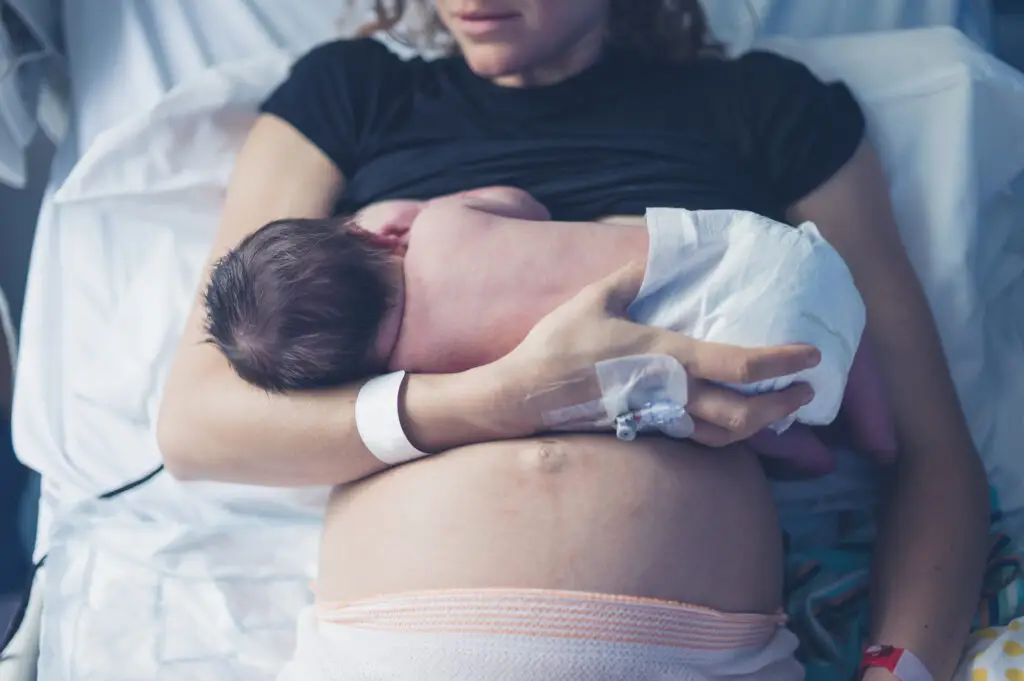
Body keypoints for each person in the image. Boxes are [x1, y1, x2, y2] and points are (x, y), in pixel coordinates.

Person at [157, 1, 989, 679]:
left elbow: (931, 451)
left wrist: (897, 670)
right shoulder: (352, 96)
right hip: (389, 649)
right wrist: (501, 397)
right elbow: (198, 423)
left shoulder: (770, 109)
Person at [203, 185, 895, 474]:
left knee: (757, 419)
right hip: (750, 256)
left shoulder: (426, 374)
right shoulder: (435, 224)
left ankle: (822, 454)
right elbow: (523, 206)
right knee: (826, 298)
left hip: (703, 360)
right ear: (381, 233)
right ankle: (880, 428)